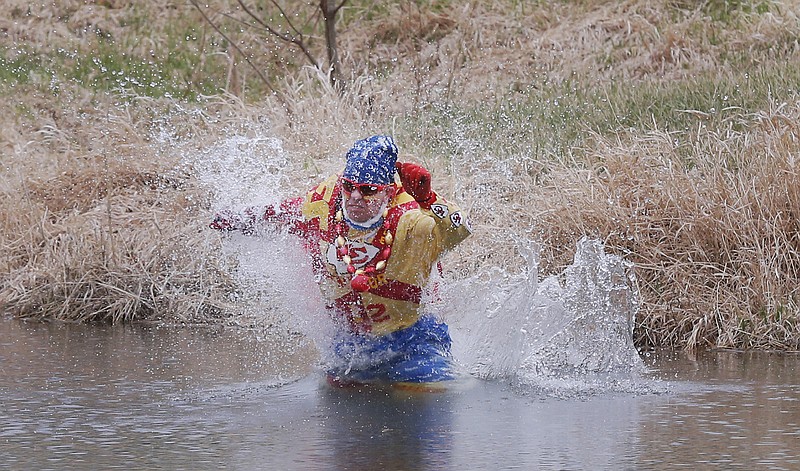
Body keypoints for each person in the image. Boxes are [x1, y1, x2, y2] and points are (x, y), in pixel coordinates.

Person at [210, 135, 472, 389]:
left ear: (389, 193)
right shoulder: (325, 202)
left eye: (369, 190)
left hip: (410, 337)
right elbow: (285, 214)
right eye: (349, 186)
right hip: (352, 346)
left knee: (426, 395)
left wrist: (428, 199)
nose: (355, 197)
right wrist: (241, 219)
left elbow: (459, 231)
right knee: (343, 404)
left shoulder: (411, 218)